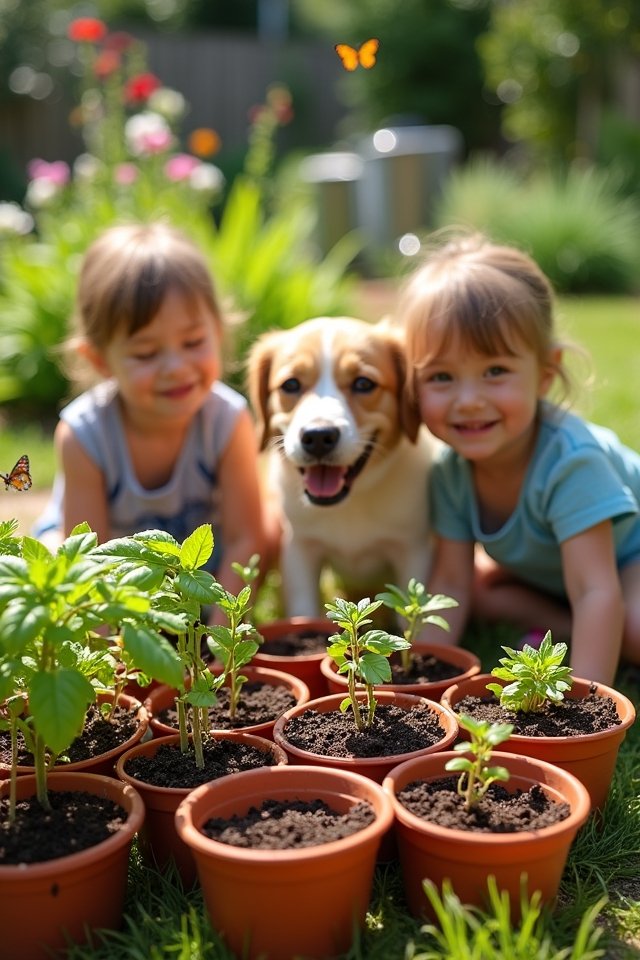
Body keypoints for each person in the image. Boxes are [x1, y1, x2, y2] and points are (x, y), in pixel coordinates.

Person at [398, 231, 640, 686]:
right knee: (475, 593)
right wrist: (419, 679)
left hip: (628, 560)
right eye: (441, 377)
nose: (468, 401)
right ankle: (570, 628)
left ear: (544, 374)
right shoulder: (450, 471)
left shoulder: (571, 463)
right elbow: (450, 582)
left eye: (495, 371)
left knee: (632, 627)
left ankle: (601, 636)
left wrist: (585, 703)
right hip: (561, 578)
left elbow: (595, 588)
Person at [34, 221, 266, 600]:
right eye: (145, 353)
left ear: (219, 332)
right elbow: (88, 558)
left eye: (193, 342)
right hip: (116, 572)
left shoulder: (227, 421)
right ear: (100, 360)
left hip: (198, 567)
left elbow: (246, 540)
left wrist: (222, 631)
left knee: (271, 527)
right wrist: (111, 634)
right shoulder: (84, 435)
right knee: (52, 556)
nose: (175, 367)